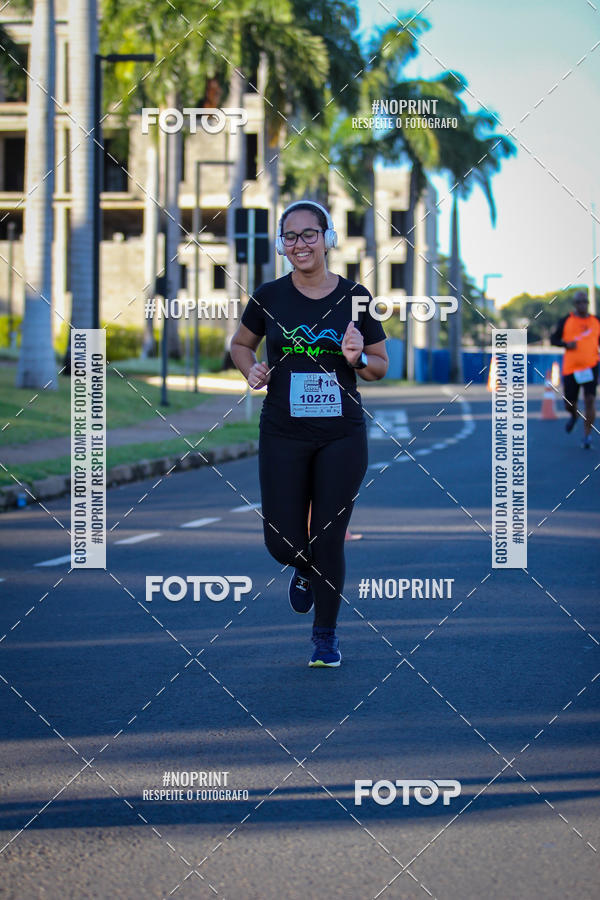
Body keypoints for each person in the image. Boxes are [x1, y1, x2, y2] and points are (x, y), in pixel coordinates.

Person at [230, 200, 388, 667]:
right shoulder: (269, 296)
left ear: (327, 237)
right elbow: (240, 344)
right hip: (282, 431)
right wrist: (251, 369)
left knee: (328, 536)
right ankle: (305, 570)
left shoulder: (356, 297)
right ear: (282, 243)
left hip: (341, 435)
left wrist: (358, 358)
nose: (300, 244)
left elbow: (380, 366)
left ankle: (325, 637)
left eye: (309, 234)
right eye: (291, 236)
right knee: (281, 541)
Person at [550, 291, 600, 449]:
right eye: (579, 302)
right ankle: (573, 415)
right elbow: (554, 339)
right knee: (569, 403)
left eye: (585, 302)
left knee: (590, 400)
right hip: (571, 368)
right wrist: (566, 344)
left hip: (591, 366)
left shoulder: (596, 321)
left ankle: (587, 435)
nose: (582, 305)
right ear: (575, 304)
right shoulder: (566, 320)